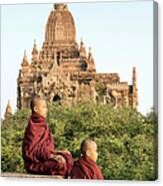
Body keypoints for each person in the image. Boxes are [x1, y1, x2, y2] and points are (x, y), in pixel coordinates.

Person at [22, 96, 72, 177]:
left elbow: (45, 148)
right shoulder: (33, 127)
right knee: (60, 164)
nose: (46, 110)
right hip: (35, 164)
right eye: (44, 107)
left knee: (67, 156)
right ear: (36, 109)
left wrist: (58, 152)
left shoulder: (44, 125)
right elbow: (32, 152)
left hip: (44, 158)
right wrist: (52, 156)